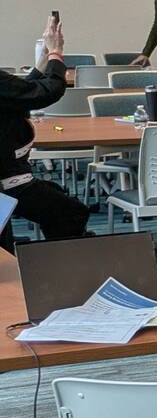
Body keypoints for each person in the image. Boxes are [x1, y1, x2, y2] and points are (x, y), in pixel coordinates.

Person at [0, 18, 89, 252]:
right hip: (8, 181)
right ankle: (57, 267)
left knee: (58, 198)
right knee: (71, 213)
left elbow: (18, 94)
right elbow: (47, 92)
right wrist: (57, 53)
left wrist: (43, 62)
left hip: (7, 176)